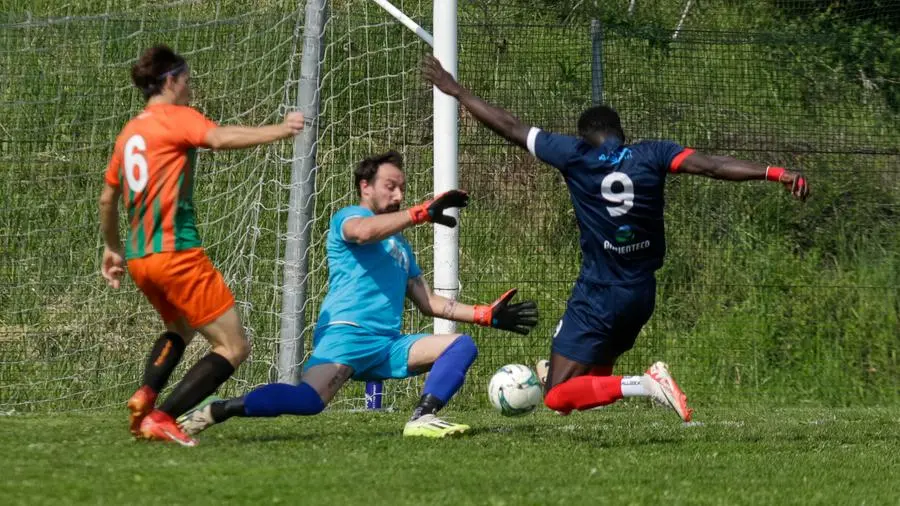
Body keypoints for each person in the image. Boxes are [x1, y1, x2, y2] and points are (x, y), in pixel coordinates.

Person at [422, 54, 809, 421]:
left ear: (583, 136)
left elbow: (510, 126)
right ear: (622, 134)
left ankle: (646, 383)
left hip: (599, 293)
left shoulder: (574, 155)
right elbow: (713, 166)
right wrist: (774, 172)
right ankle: (571, 376)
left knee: (558, 396)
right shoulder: (653, 154)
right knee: (592, 386)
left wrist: (456, 91)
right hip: (640, 296)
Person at [178, 150, 538, 438]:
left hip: (386, 344)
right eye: (390, 186)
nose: (398, 194)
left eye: (402, 188)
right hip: (347, 335)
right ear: (365, 186)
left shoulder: (401, 244)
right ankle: (219, 408)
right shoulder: (348, 217)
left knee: (461, 345)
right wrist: (419, 213)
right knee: (308, 401)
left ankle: (422, 417)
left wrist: (484, 314)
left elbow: (427, 302)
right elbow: (362, 232)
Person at [99, 44, 304, 446]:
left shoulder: (129, 133)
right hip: (177, 254)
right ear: (171, 79)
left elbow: (107, 198)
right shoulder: (175, 118)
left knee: (180, 326)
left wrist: (112, 248)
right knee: (233, 345)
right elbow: (218, 138)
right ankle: (162, 417)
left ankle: (146, 393)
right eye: (188, 80)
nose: (191, 89)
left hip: (142, 259)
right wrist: (281, 130)